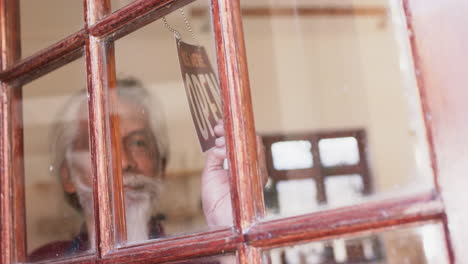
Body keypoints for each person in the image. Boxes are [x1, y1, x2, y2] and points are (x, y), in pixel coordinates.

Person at [28, 78, 233, 262]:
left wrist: (229, 230)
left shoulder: (203, 260)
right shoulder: (44, 260)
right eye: (101, 144)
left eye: (138, 143)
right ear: (68, 176)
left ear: (160, 166)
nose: (124, 162)